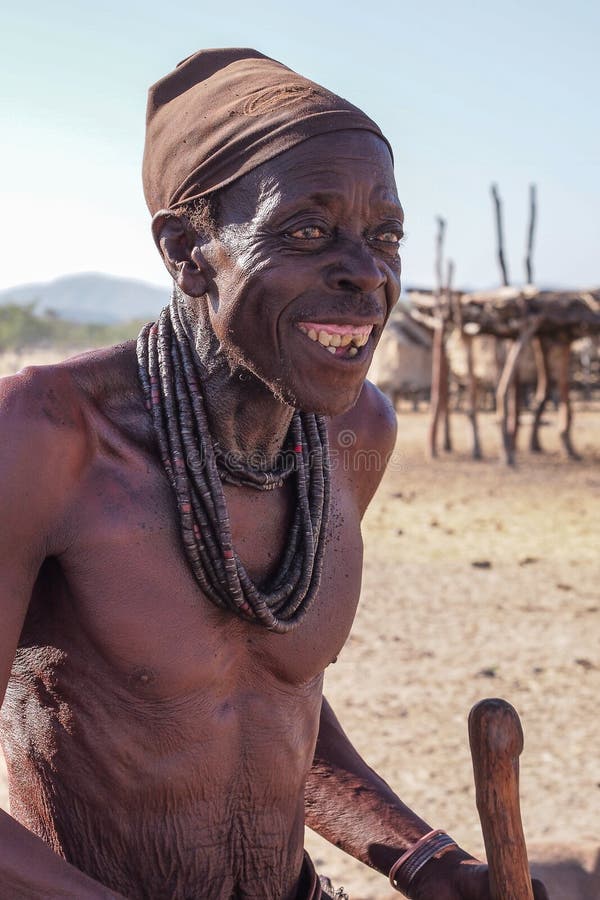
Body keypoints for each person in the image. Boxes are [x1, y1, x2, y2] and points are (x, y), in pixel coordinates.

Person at [0, 49, 547, 900]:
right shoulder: (43, 437)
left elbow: (257, 700)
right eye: (306, 231)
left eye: (384, 236)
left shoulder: (351, 433)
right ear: (188, 252)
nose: (366, 273)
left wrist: (423, 858)